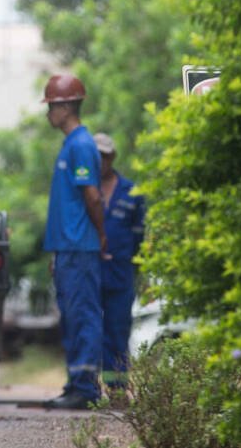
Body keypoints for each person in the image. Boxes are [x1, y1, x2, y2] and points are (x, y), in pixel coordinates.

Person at [41, 74, 110, 410]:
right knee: (71, 316)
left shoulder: (81, 145)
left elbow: (92, 197)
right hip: (68, 247)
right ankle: (76, 383)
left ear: (66, 107)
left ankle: (85, 389)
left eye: (52, 106)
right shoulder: (71, 145)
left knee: (82, 315)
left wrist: (99, 235)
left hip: (80, 247)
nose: (48, 114)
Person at [94, 132, 145, 390]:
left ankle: (118, 389)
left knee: (118, 330)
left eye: (104, 155)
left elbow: (140, 237)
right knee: (93, 332)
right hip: (92, 272)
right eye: (95, 156)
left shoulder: (132, 192)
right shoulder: (84, 191)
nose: (100, 161)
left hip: (121, 273)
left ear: (112, 157)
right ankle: (90, 388)